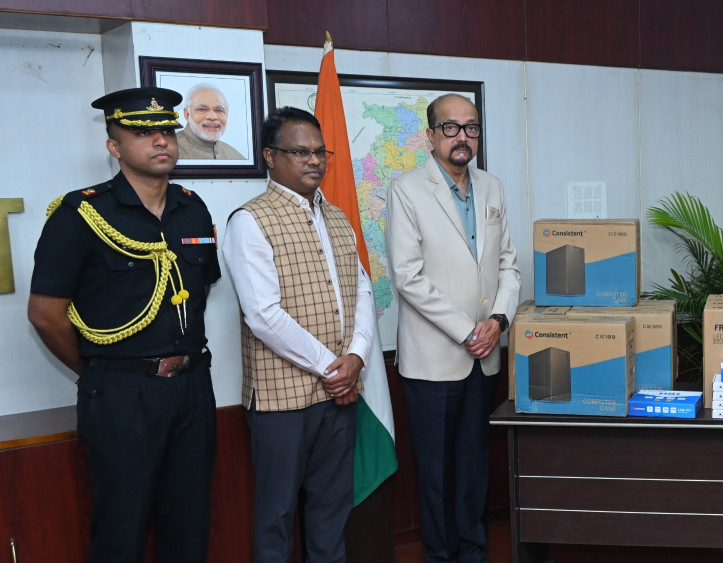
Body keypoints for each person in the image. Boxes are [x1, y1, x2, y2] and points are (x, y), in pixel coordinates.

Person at [27, 87, 220, 562]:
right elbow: (45, 313)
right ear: (114, 146)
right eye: (142, 133)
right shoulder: (81, 214)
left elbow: (199, 290)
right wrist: (100, 371)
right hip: (122, 394)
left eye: (167, 130)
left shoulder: (192, 207)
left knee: (189, 524)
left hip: (192, 387)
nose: (161, 141)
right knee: (121, 530)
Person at [222, 107, 375, 563]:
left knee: (331, 512)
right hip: (281, 402)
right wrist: (334, 367)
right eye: (300, 152)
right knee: (277, 516)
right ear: (270, 156)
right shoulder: (250, 220)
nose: (314, 161)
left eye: (320, 152)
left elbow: (362, 291)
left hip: (340, 394)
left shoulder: (338, 217)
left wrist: (357, 357)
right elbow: (262, 315)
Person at [386, 93, 520, 563]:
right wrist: (469, 332)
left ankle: (473, 549)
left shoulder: (492, 187)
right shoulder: (407, 190)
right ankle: (441, 554)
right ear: (431, 135)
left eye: (471, 127)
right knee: (437, 470)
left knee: (474, 463)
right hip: (434, 360)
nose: (462, 136)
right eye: (451, 127)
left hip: (485, 357)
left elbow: (508, 266)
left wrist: (498, 321)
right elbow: (408, 277)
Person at [176, 83, 246, 160]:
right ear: (187, 114)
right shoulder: (171, 151)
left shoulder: (236, 157)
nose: (212, 117)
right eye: (202, 109)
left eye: (219, 110)